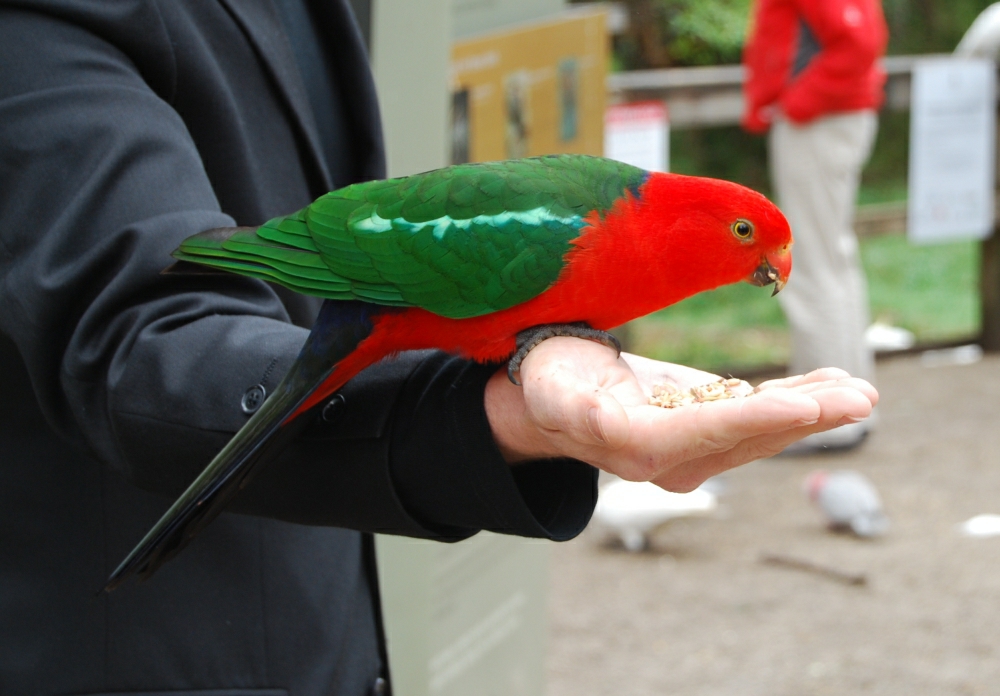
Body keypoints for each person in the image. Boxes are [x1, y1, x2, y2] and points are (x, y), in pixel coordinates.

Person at [0, 1, 877, 694]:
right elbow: (135, 341)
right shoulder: (570, 231)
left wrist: (518, 385)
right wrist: (506, 409)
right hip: (159, 648)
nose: (765, 262)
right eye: (743, 233)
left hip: (336, 636)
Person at [742, 0, 889, 451]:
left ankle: (829, 419)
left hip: (819, 119)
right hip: (829, 116)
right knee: (833, 259)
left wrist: (795, 103)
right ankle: (849, 407)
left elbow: (858, 41)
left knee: (808, 264)